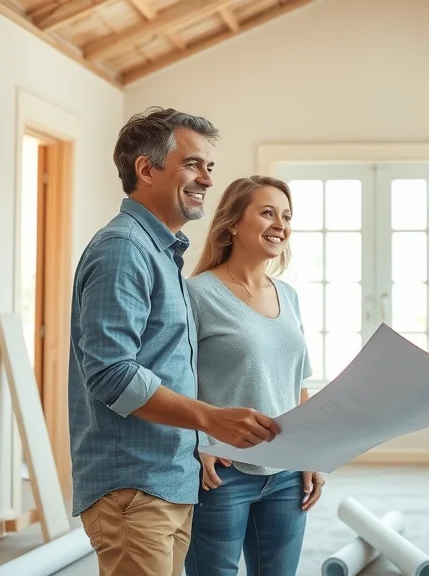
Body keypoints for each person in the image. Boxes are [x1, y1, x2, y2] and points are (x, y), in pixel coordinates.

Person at [67, 108, 281, 576]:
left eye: (209, 167)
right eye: (192, 164)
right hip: (133, 486)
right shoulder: (124, 248)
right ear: (146, 169)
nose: (206, 178)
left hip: (165, 480)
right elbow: (111, 374)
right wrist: (211, 418)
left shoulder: (162, 255)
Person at [182, 175, 326, 576]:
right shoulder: (195, 294)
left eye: (286, 216)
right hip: (223, 471)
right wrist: (199, 442)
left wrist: (309, 455)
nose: (281, 224)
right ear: (232, 223)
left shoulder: (289, 296)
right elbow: (174, 380)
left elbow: (299, 384)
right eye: (267, 213)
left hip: (286, 472)